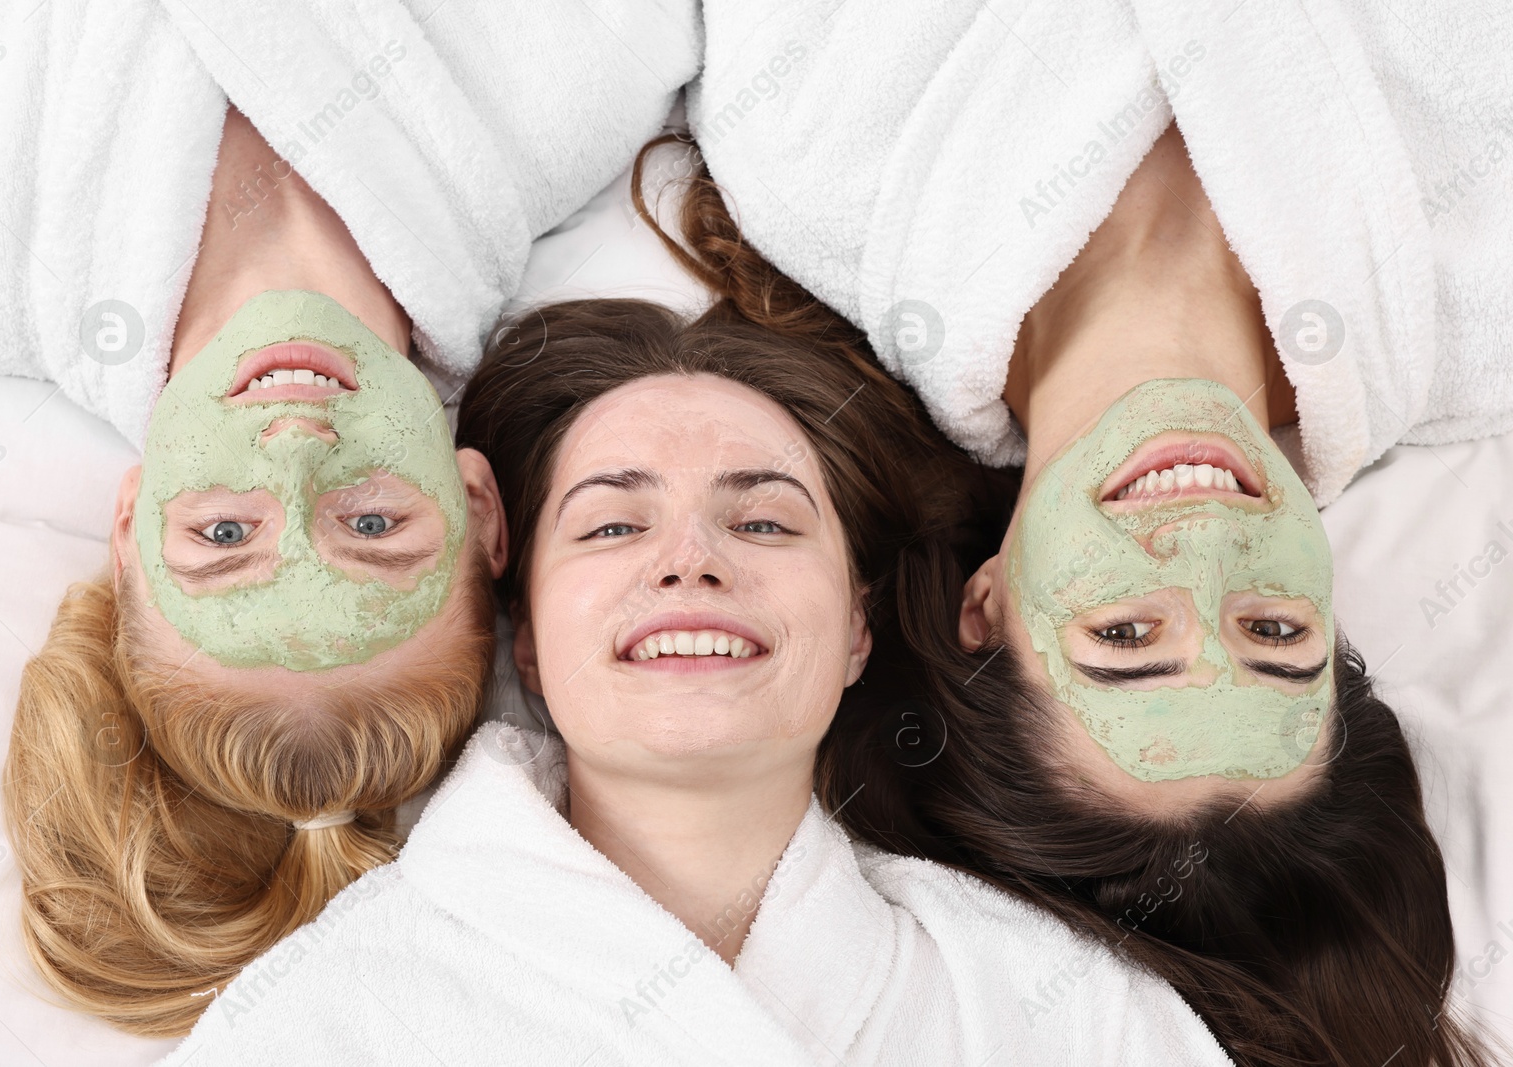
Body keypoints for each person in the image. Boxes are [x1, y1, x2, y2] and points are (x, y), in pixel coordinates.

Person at [644, 29, 1503, 1058]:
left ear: (987, 602)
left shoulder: (813, 156)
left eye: (1127, 629)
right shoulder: (1482, 290)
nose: (1200, 549)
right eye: (1273, 628)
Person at [153, 295, 1232, 1065]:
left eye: (762, 519)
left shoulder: (1062, 1009)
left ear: (856, 628)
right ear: (524, 640)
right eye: (614, 523)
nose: (690, 559)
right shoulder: (323, 1023)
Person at [0, 0, 701, 1035]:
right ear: (479, 507)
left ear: (128, 530)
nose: (297, 449)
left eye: (222, 537)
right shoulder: (587, 68)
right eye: (375, 525)